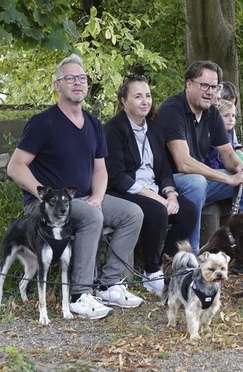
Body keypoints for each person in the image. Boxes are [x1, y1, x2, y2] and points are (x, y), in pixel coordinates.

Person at [7, 54, 144, 320]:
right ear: (57, 85)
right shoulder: (42, 123)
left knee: (132, 213)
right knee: (93, 215)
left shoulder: (93, 123)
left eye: (81, 78)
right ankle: (79, 295)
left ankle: (109, 285)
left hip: (82, 199)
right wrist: (42, 195)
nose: (77, 83)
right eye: (69, 78)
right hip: (46, 205)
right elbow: (15, 166)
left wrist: (97, 195)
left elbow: (100, 169)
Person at [104, 74, 198, 297]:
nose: (145, 101)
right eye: (138, 96)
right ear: (124, 101)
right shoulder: (113, 129)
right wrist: (158, 199)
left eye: (148, 95)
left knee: (188, 210)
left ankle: (167, 264)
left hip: (154, 190)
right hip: (123, 192)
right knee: (157, 210)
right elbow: (117, 176)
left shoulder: (155, 130)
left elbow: (164, 169)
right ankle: (151, 271)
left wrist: (171, 194)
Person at [157, 60, 243, 254]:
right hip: (169, 182)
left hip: (200, 179)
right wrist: (228, 178)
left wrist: (241, 169)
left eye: (214, 87)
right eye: (204, 85)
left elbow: (228, 153)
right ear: (189, 84)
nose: (210, 92)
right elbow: (183, 163)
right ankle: (191, 256)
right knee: (196, 182)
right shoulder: (172, 110)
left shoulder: (212, 113)